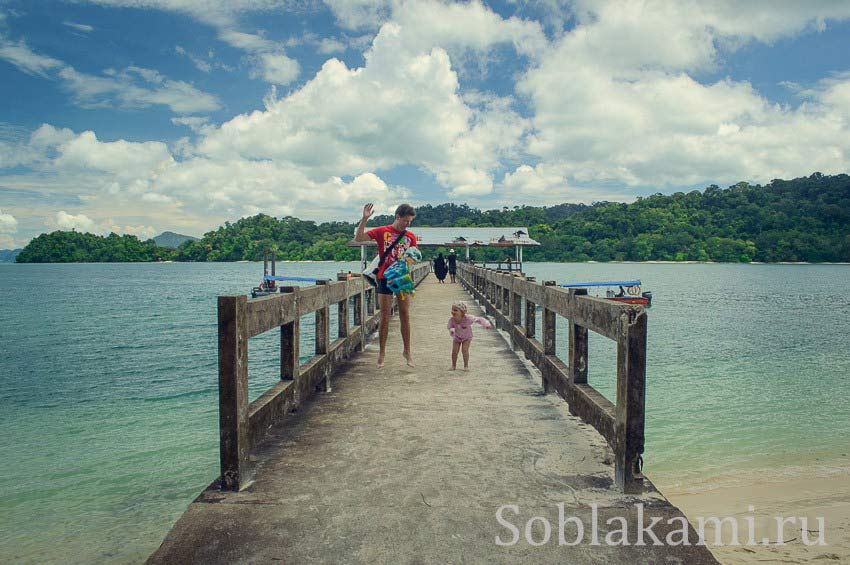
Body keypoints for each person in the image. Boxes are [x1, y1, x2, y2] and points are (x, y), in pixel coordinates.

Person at [354, 203, 418, 368]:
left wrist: (407, 261)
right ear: (397, 217)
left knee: (405, 314)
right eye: (405, 221)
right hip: (384, 277)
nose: (407, 224)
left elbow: (414, 257)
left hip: (402, 277)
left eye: (410, 221)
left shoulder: (410, 236)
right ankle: (382, 353)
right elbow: (358, 238)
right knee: (384, 315)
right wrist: (365, 219)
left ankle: (407, 351)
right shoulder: (383, 231)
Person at [447, 300, 492, 371]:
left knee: (464, 350)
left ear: (462, 312)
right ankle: (453, 365)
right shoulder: (452, 319)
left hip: (466, 337)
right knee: (454, 351)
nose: (453, 312)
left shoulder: (468, 318)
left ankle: (466, 366)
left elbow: (479, 319)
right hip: (457, 336)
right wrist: (452, 330)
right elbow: (450, 326)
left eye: (455, 310)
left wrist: (486, 324)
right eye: (452, 310)